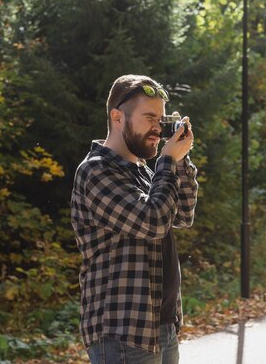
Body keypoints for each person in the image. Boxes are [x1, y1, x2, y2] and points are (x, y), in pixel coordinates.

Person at [71, 74, 198, 364]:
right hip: (123, 334)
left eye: (162, 120)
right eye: (149, 117)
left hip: (161, 327)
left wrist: (179, 159)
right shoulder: (96, 171)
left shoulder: (142, 171)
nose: (157, 128)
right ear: (117, 117)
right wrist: (166, 161)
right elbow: (152, 222)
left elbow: (182, 214)